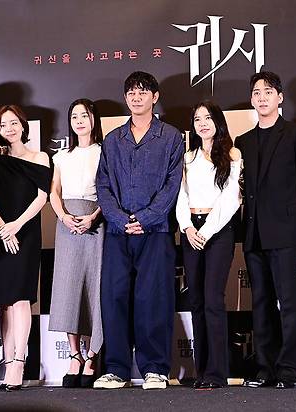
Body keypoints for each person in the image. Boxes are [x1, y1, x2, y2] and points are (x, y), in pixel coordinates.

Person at [95, 71, 183, 390]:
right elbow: (103, 185)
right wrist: (120, 219)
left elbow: (173, 184)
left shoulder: (170, 137)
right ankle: (116, 369)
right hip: (117, 232)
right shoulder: (113, 139)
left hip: (156, 231)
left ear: (155, 97)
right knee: (114, 298)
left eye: (143, 92)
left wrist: (145, 218)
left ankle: (155, 368)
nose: (136, 97)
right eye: (131, 92)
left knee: (153, 299)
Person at [235, 71, 296, 389]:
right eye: (256, 92)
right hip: (254, 233)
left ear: (280, 97)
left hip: (286, 232)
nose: (262, 97)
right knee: (261, 303)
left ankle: (290, 369)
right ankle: (264, 367)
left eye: (268, 91)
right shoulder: (244, 141)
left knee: (289, 303)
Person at [0, 105, 51, 391]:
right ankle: (8, 361)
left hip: (26, 234)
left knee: (21, 298)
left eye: (13, 123)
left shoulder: (40, 157)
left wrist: (16, 226)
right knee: (4, 301)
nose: (9, 128)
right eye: (3, 124)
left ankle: (20, 362)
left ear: (23, 125)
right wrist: (3, 228)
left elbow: (42, 198)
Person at [175, 100, 242, 389]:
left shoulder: (232, 154)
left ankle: (216, 373)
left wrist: (207, 230)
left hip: (219, 231)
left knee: (213, 300)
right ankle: (201, 371)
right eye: (197, 119)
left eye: (207, 118)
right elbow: (180, 194)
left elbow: (231, 198)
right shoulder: (187, 157)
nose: (202, 124)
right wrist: (188, 227)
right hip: (191, 230)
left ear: (218, 121)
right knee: (196, 301)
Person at [48, 99, 104, 388]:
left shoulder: (104, 152)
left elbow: (110, 192)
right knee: (69, 289)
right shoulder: (61, 156)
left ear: (94, 119)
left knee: (94, 288)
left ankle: (92, 355)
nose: (80, 120)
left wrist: (93, 217)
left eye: (85, 115)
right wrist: (64, 217)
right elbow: (54, 192)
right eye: (74, 116)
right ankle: (75, 355)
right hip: (67, 225)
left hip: (96, 223)